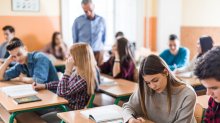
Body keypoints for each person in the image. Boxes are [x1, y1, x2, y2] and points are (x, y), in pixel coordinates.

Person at [33, 43, 100, 122]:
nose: (66, 57)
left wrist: (67, 71)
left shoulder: (84, 79)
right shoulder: (77, 70)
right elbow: (63, 84)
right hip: (63, 105)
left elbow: (61, 92)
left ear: (79, 58)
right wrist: (44, 86)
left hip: (70, 111)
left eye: (69, 55)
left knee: (38, 118)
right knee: (35, 110)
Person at [123, 54, 196, 123]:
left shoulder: (188, 94)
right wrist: (131, 119)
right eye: (148, 82)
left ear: (165, 72)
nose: (152, 86)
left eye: (155, 80)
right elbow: (128, 107)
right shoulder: (146, 88)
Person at [72, 0, 106, 66]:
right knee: (84, 74)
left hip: (98, 53)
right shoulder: (77, 21)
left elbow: (104, 38)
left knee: (100, 74)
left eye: (90, 10)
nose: (88, 13)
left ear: (93, 6)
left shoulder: (102, 20)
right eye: (85, 11)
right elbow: (75, 39)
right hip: (83, 53)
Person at [194, 46, 220, 122]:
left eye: (214, 88)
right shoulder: (213, 100)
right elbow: (207, 120)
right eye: (206, 87)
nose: (208, 93)